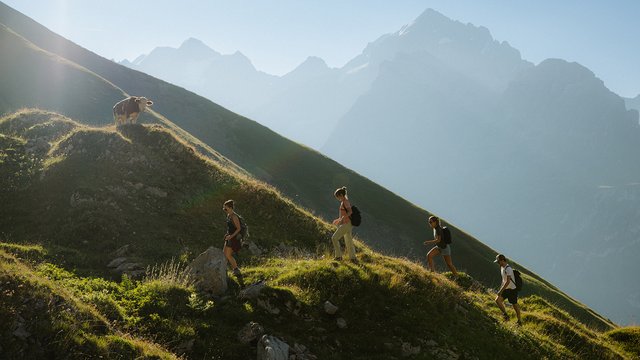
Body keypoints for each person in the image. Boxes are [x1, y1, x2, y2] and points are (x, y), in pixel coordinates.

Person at [494, 254, 522, 325]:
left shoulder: (508, 269)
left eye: (498, 262)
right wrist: (501, 288)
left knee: (515, 305)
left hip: (512, 290)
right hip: (506, 289)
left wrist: (501, 290)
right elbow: (503, 280)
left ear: (502, 260)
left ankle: (519, 321)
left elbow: (508, 281)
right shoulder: (502, 268)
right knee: (497, 300)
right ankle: (506, 315)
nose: (498, 263)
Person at [331, 186, 356, 261]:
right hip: (348, 224)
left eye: (338, 197)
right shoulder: (345, 201)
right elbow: (345, 213)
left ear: (341, 195)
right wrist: (339, 219)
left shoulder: (345, 202)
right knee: (348, 241)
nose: (338, 199)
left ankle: (338, 256)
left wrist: (341, 219)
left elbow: (350, 212)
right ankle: (353, 258)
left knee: (334, 238)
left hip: (346, 224)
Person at [222, 200, 242, 277]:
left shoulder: (234, 216)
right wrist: (227, 235)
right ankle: (225, 270)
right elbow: (230, 228)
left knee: (228, 255)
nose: (225, 210)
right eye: (224, 208)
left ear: (230, 208)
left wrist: (231, 236)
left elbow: (238, 228)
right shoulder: (229, 216)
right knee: (224, 254)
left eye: (226, 208)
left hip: (233, 238)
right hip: (229, 237)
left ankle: (236, 270)